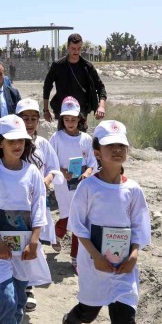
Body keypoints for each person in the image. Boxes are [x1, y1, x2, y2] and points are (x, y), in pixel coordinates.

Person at [59, 120, 151, 324]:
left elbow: (139, 225)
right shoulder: (88, 187)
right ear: (97, 152)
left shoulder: (133, 189)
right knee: (89, 311)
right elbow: (78, 226)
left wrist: (134, 255)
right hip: (95, 265)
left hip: (124, 266)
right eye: (111, 146)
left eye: (122, 145)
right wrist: (96, 256)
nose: (117, 150)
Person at [0, 115, 51, 324]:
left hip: (26, 244)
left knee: (19, 299)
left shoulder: (32, 173)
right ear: (1, 143)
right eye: (12, 141)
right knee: (7, 298)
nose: (18, 145)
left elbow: (39, 208)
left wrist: (34, 241)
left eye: (21, 140)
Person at [16, 98, 63, 312]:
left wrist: (47, 179)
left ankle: (29, 288)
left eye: (33, 118)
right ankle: (18, 286)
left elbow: (54, 168)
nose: (29, 122)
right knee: (18, 244)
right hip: (16, 204)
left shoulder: (43, 144)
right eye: (25, 118)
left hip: (39, 203)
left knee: (35, 244)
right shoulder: (11, 144)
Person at [49, 96, 98, 274]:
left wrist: (87, 172)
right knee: (68, 215)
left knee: (79, 220)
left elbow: (93, 161)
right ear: (62, 120)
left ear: (80, 118)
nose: (70, 122)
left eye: (74, 119)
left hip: (82, 185)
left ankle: (75, 259)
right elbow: (50, 160)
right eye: (66, 119)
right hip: (63, 185)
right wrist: (63, 172)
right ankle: (56, 233)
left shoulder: (86, 139)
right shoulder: (56, 138)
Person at [43, 33, 107, 125]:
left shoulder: (87, 67)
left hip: (81, 113)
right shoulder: (58, 65)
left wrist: (101, 106)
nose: (76, 52)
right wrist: (45, 110)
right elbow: (47, 86)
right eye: (73, 48)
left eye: (79, 48)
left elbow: (101, 87)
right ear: (67, 47)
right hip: (62, 112)